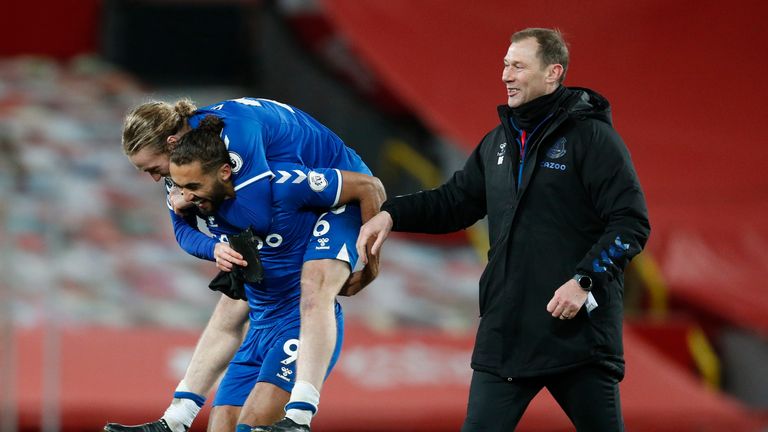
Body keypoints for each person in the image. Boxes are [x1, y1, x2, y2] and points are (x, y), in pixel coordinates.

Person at [357, 28, 650, 431]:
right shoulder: (499, 142)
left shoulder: (593, 139)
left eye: (518, 66)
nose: (506, 76)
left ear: (553, 73)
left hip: (576, 335)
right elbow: (455, 202)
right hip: (507, 331)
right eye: (505, 65)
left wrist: (584, 280)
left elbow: (630, 224)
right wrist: (392, 214)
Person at [105, 97, 383, 432]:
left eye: (152, 168)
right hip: (269, 226)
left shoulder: (238, 144)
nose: (156, 180)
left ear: (172, 143)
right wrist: (213, 243)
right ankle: (176, 419)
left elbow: (258, 216)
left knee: (314, 288)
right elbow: (183, 231)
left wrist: (370, 262)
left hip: (339, 180)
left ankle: (299, 414)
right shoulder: (189, 169)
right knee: (232, 304)